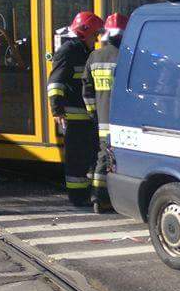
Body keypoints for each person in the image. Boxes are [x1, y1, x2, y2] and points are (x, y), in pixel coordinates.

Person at [48, 11, 103, 206]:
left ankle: (88, 194)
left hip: (87, 117)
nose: (96, 39)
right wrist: (57, 110)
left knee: (89, 157)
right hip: (74, 117)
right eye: (94, 34)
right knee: (76, 160)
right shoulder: (68, 51)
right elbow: (55, 82)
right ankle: (78, 198)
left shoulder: (86, 52)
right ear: (84, 32)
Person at [82, 12, 126, 213]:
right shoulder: (127, 57)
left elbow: (87, 89)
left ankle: (98, 198)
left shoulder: (94, 56)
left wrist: (93, 112)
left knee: (103, 156)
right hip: (123, 119)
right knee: (118, 158)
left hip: (102, 118)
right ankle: (102, 199)